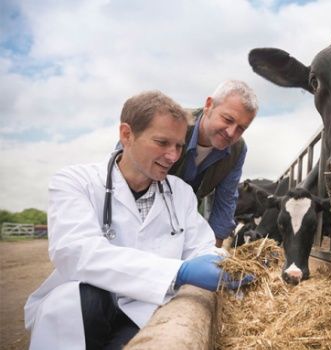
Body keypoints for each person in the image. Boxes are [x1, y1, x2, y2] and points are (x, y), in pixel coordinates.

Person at [24, 91, 251, 350]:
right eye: (162, 142)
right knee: (87, 300)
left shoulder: (180, 193)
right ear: (126, 135)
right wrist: (178, 271)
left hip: (143, 308)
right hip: (82, 312)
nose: (173, 156)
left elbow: (201, 248)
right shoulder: (75, 182)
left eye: (178, 145)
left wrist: (236, 267)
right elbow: (75, 251)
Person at [169, 80, 258, 248]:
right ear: (209, 105)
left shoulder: (237, 150)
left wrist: (212, 254)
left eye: (241, 128)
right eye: (227, 119)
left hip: (186, 217)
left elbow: (226, 200)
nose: (231, 133)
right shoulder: (172, 123)